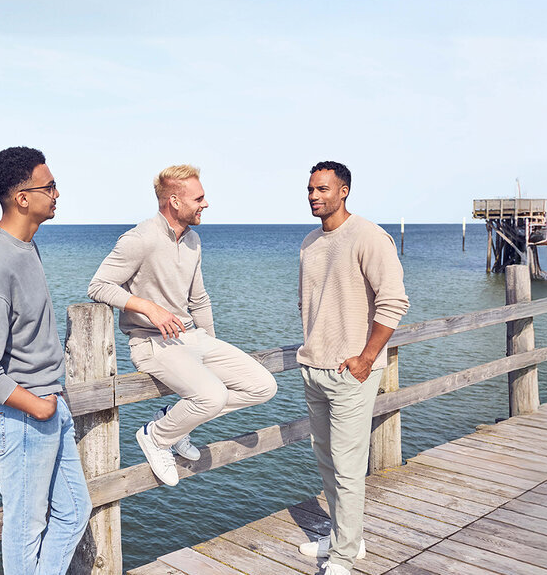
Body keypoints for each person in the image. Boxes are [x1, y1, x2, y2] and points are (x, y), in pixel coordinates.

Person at [87, 165, 276, 486]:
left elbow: (199, 299)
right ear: (174, 201)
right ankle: (157, 436)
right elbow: (99, 285)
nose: (205, 204)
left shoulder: (194, 240)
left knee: (263, 386)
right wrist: (149, 308)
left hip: (194, 338)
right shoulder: (140, 239)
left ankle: (175, 424)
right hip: (152, 342)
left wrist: (210, 345)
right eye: (199, 198)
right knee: (212, 396)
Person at [0, 146, 90, 574]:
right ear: (22, 198)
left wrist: (51, 401)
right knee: (25, 528)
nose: (57, 193)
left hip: (48, 406)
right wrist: (37, 404)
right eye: (48, 186)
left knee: (74, 512)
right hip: (22, 416)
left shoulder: (25, 247)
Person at [296, 161, 409, 575]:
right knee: (325, 459)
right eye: (310, 189)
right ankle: (347, 537)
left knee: (347, 466)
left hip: (351, 372)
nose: (314, 195)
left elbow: (394, 300)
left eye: (323, 189)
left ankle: (344, 557)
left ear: (344, 191)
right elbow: (307, 303)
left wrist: (365, 357)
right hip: (313, 367)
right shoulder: (309, 243)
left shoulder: (368, 237)